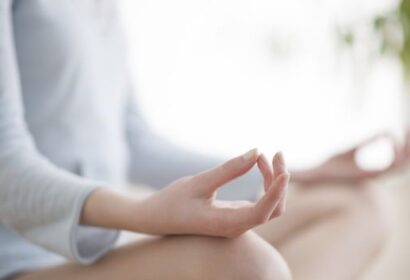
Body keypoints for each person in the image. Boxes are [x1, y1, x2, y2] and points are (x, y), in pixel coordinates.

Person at [0, 1, 405, 279]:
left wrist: (296, 175)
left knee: (360, 206)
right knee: (247, 266)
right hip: (24, 264)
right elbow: (7, 168)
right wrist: (143, 213)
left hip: (97, 255)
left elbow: (133, 141)